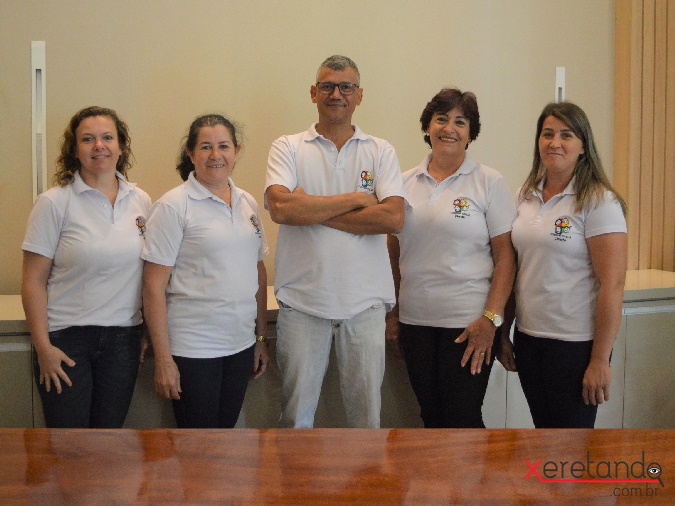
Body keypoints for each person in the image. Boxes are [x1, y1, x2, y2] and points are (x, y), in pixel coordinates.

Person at [265, 55, 405, 428]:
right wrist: (358, 200)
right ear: (314, 93)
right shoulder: (288, 147)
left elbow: (393, 218)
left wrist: (309, 208)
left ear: (359, 95)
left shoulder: (380, 150)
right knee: (296, 419)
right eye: (327, 86)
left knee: (366, 422)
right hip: (302, 305)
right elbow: (280, 207)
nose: (336, 94)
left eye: (346, 87)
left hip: (365, 307)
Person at [385, 88, 516, 428]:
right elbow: (393, 254)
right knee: (431, 419)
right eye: (441, 119)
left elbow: (505, 257)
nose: (449, 128)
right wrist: (393, 316)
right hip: (415, 324)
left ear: (471, 133)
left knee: (463, 420)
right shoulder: (402, 183)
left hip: (469, 325)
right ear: (427, 126)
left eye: (460, 121)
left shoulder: (489, 182)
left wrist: (491, 320)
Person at [498, 101, 627, 428]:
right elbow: (515, 270)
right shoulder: (525, 194)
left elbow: (612, 285)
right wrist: (504, 331)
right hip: (529, 339)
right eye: (548, 134)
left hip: (576, 345)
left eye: (566, 135)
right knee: (544, 435)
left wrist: (600, 359)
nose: (555, 142)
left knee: (571, 444)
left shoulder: (599, 200)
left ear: (583, 146)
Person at [21, 106, 151, 428]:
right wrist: (43, 348)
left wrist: (146, 332)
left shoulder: (141, 201)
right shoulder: (54, 202)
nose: (99, 146)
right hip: (66, 340)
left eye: (107, 137)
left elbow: (149, 276)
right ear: (75, 149)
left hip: (123, 339)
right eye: (88, 139)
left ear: (121, 146)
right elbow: (33, 281)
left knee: (107, 441)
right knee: (68, 444)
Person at [142, 114, 269, 429]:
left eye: (224, 146)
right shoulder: (173, 206)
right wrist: (164, 359)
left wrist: (260, 337)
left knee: (224, 438)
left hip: (240, 346)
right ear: (190, 153)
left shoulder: (248, 203)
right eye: (205, 147)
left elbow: (258, 271)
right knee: (196, 447)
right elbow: (153, 287)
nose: (216, 155)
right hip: (193, 349)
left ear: (236, 151)